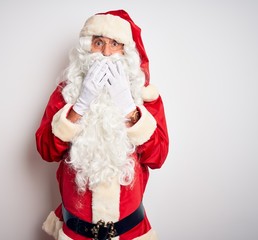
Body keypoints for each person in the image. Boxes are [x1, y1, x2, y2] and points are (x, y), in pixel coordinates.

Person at [35, 9, 169, 240]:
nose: (106, 53)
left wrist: (129, 108)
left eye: (115, 43)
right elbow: (46, 151)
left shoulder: (146, 98)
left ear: (126, 51)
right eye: (99, 43)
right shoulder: (66, 94)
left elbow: (157, 158)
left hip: (130, 232)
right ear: (87, 48)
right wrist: (80, 105)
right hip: (76, 232)